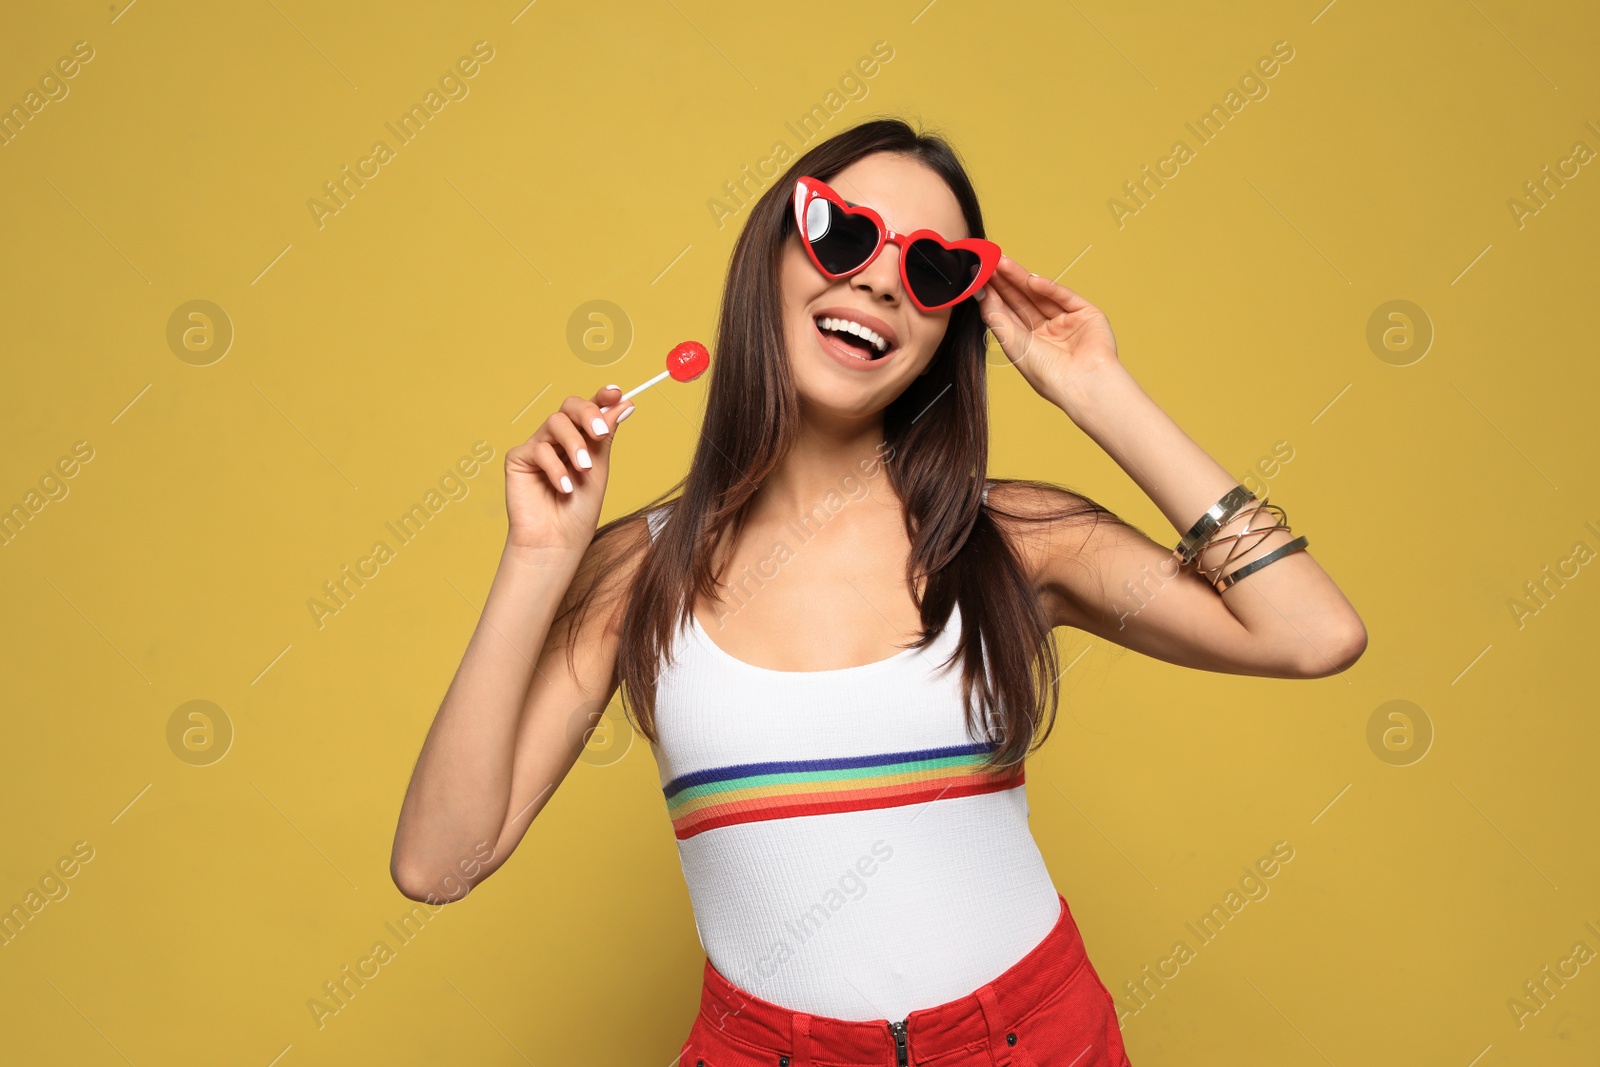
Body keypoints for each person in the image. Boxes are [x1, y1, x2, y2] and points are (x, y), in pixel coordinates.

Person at [388, 118, 1366, 1066]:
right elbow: (438, 865)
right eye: (842, 232)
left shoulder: (1014, 538)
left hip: (1035, 1038)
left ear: (951, 324)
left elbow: (1311, 632)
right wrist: (537, 559)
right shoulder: (634, 571)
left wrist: (1094, 388)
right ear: (770, 255)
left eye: (932, 269)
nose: (877, 277)